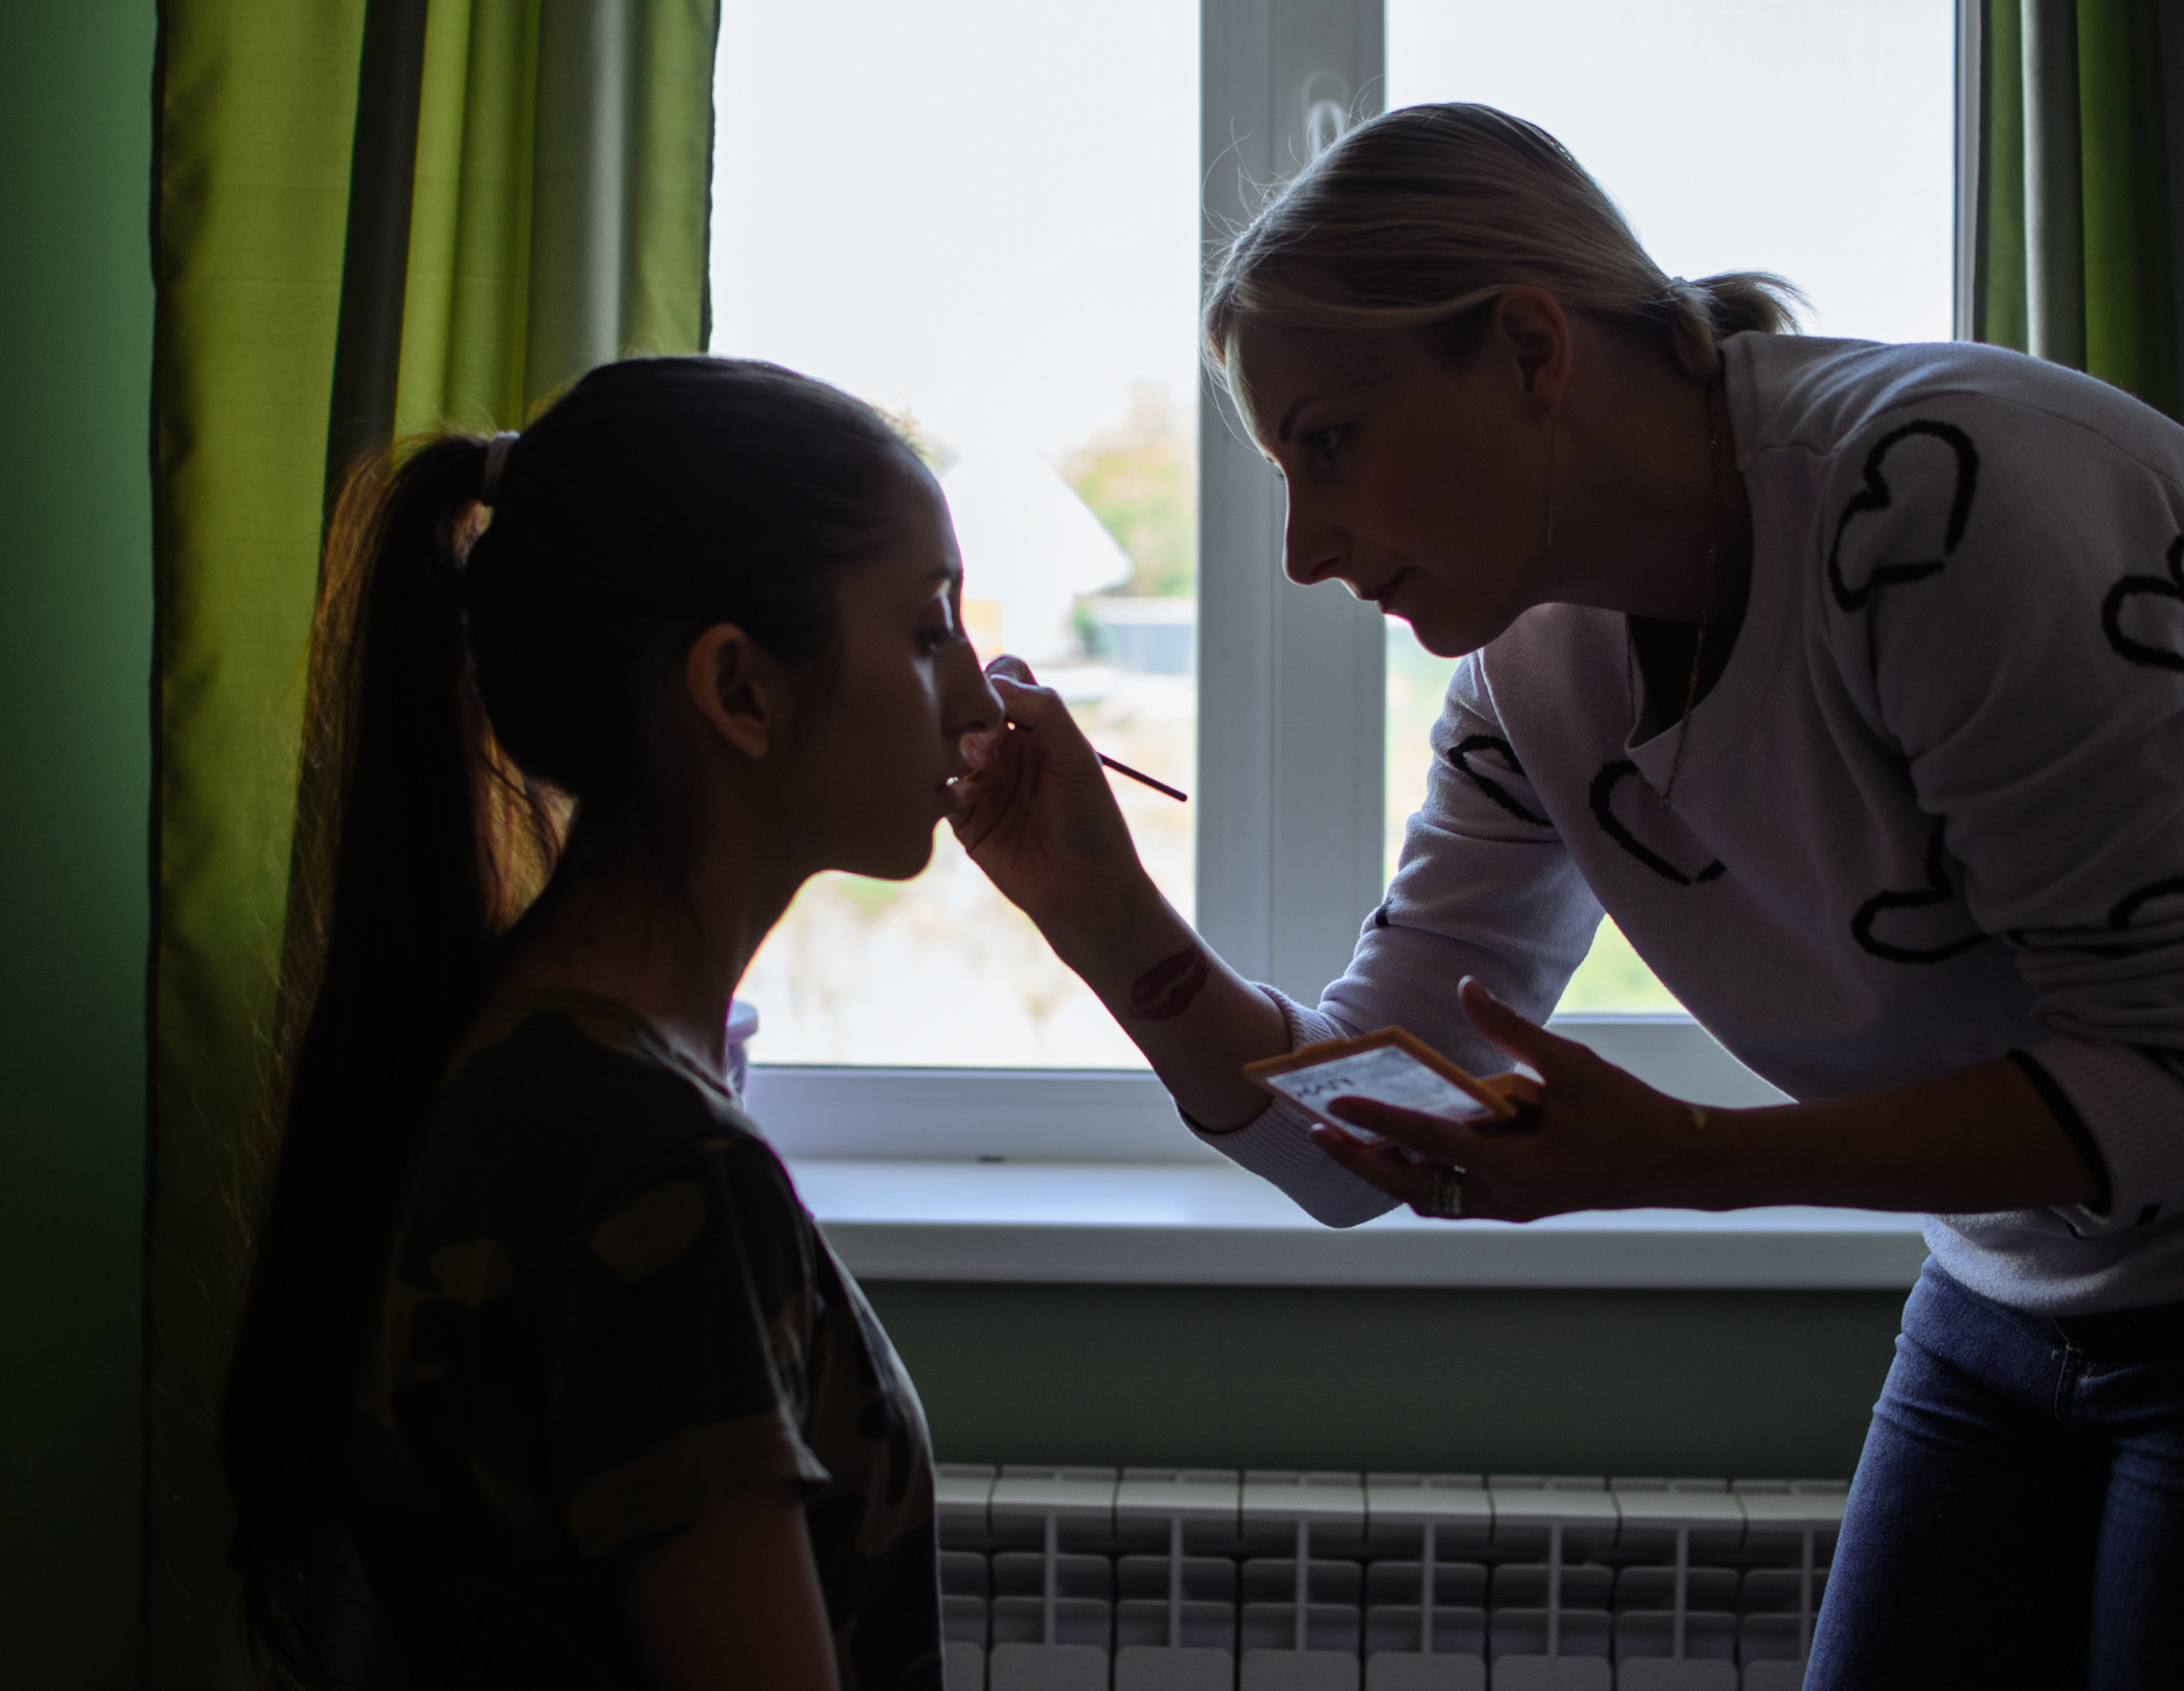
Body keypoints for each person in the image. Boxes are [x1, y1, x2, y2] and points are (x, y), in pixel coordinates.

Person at [952, 104, 2184, 1684]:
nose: (1304, 552)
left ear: (1532, 349)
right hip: (2010, 1297)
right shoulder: (1528, 677)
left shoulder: (1942, 502)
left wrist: (1692, 1159)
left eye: (1329, 444)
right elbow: (1356, 1140)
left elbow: (2166, 1072)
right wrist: (1100, 914)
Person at [221, 356, 998, 1689]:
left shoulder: (518, 1057)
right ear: (739, 691)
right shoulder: (657, 1170)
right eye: (930, 631)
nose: (978, 697)